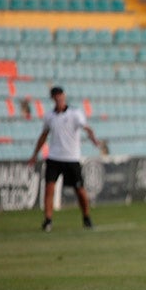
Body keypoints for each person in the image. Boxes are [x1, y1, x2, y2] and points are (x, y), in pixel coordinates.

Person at [27, 86, 100, 232]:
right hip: (54, 157)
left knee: (80, 190)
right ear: (53, 98)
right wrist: (35, 154)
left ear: (64, 96)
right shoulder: (49, 116)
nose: (59, 99)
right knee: (49, 188)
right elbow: (44, 135)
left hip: (72, 158)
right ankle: (48, 220)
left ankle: (86, 216)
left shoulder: (75, 113)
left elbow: (86, 127)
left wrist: (93, 138)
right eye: (56, 97)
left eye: (60, 96)